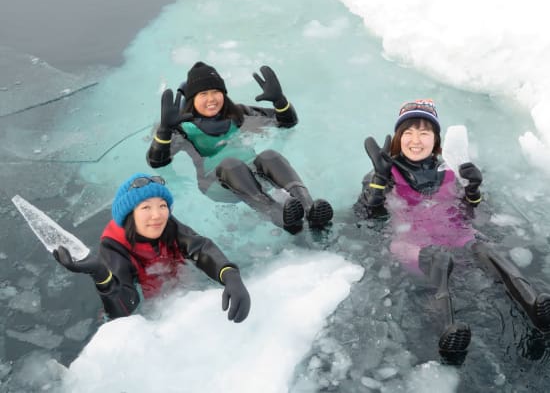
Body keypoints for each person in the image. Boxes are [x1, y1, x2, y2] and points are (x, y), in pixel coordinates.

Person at [354, 99, 550, 363]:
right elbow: (366, 217)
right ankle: (447, 326)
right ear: (399, 138)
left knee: (485, 249)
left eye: (424, 132)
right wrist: (378, 182)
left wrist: (473, 192)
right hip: (412, 246)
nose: (416, 139)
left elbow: (473, 214)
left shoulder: (449, 172)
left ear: (435, 139)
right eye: (409, 132)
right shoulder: (385, 174)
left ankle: (532, 303)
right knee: (439, 257)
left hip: (458, 236)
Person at [146, 61, 333, 234]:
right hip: (217, 184)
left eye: (215, 92)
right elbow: (156, 162)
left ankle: (310, 208)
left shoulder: (239, 114)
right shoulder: (183, 128)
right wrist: (164, 131)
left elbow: (286, 122)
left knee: (269, 155)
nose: (211, 99)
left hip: (253, 176)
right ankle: (276, 213)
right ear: (192, 99)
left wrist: (280, 101)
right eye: (203, 94)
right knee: (230, 164)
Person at [52, 172, 251, 322]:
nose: (157, 215)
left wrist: (229, 274)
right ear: (130, 214)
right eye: (146, 207)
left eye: (162, 205)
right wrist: (101, 275)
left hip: (178, 284)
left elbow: (200, 247)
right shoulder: (114, 246)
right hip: (154, 308)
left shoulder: (168, 224)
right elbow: (125, 309)